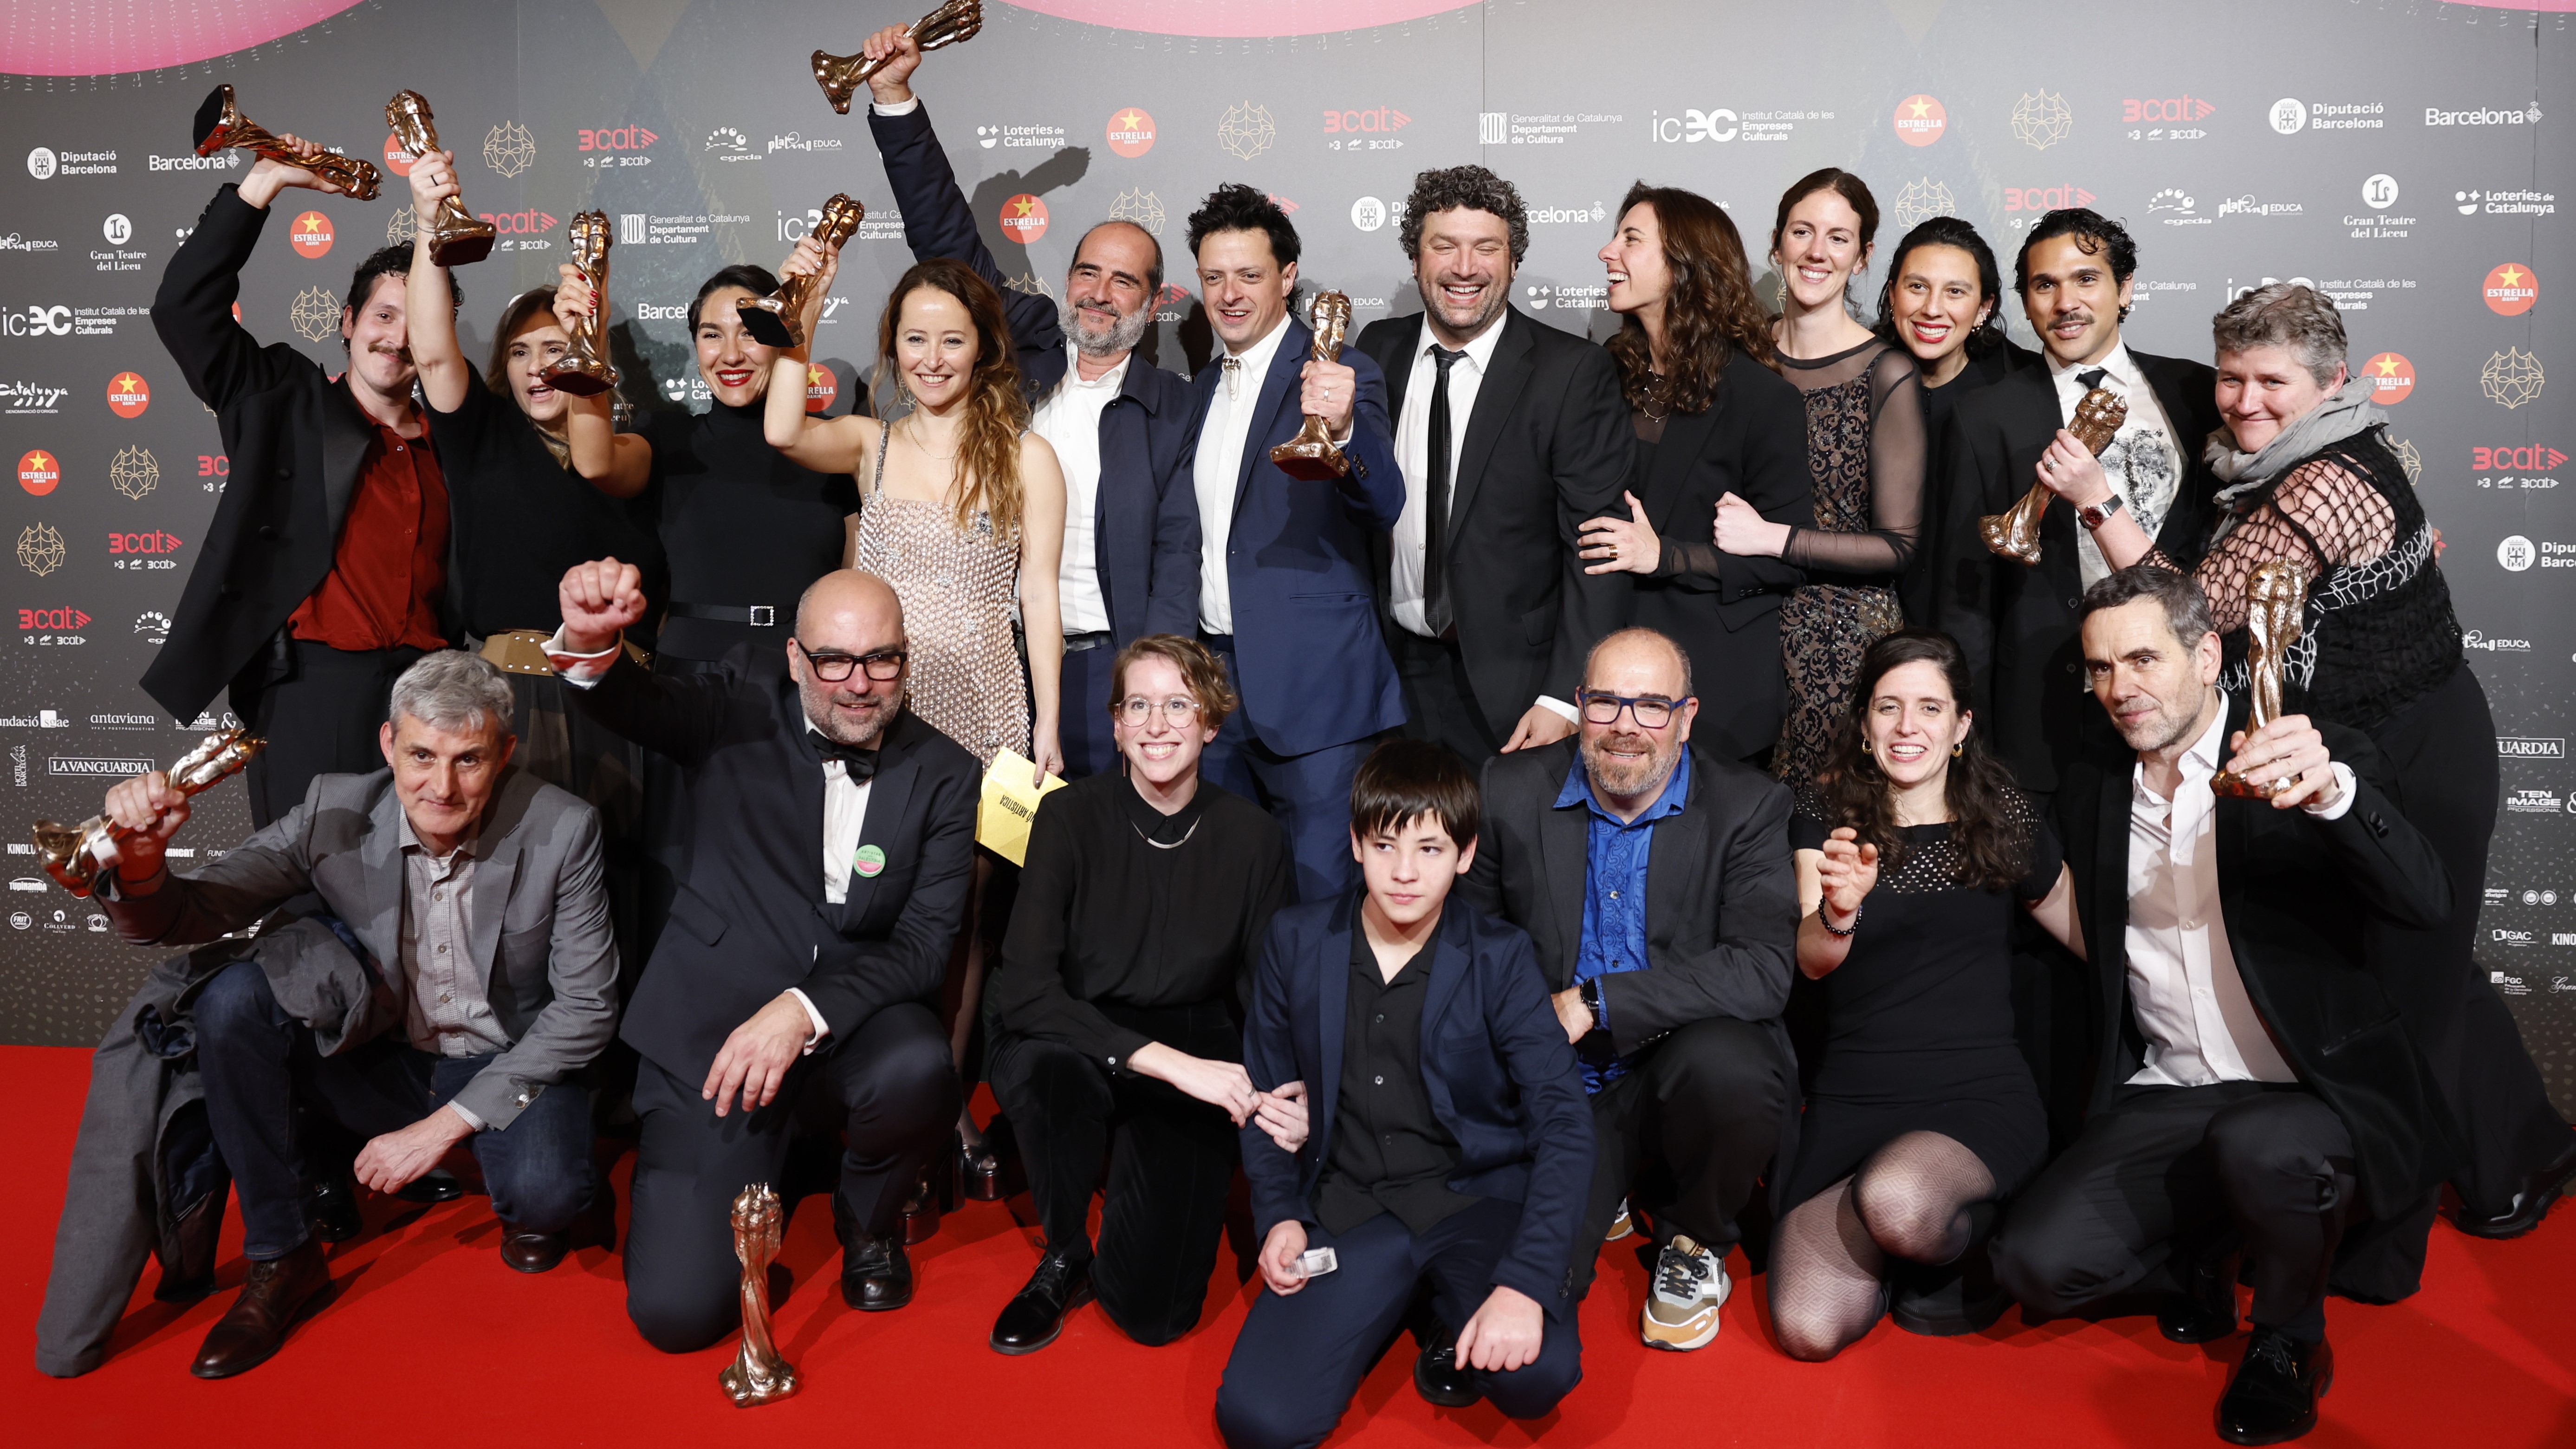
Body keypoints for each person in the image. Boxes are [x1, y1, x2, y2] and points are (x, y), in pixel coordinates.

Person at [2031, 283, 2575, 1246]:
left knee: (2415, 969)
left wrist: (2095, 500)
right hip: (2341, 740)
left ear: (2329, 384)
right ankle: (2525, 1146)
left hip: (2414, 750)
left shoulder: (2329, 478)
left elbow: (2192, 612)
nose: (2242, 401)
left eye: (2269, 382)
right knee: (2430, 971)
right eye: (2231, 378)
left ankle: (2446, 1200)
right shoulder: (2258, 466)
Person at [1993, 565, 2459, 1446]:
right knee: (2033, 1265)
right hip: (2169, 1091)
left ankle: (2288, 1339)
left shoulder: (2298, 757)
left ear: (2206, 655)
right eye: (2099, 669)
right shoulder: (2097, 790)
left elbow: (2425, 904)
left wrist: (2334, 799)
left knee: (2259, 1145)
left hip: (2308, 1094)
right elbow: (2094, 932)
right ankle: (2204, 1248)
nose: (2119, 689)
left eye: (2141, 658)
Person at [91, 650, 618, 1377]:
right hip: (384, 1057)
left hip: (504, 1061)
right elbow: (193, 911)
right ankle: (283, 1254)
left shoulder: (564, 829)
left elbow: (587, 1008)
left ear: (505, 752)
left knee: (549, 1197)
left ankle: (493, 1176)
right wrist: (145, 863)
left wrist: (442, 1128)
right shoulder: (333, 809)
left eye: (469, 759)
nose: (442, 786)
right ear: (387, 745)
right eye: (421, 755)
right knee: (233, 1001)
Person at [546, 560, 973, 1352]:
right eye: (833, 661)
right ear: (792, 659)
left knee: (918, 1067)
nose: (858, 684)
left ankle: (866, 1221)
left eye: (882, 658)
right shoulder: (734, 711)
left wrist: (803, 1009)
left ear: (904, 660)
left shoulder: (945, 772)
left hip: (847, 1031)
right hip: (715, 1035)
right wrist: (589, 641)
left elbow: (921, 947)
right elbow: (628, 699)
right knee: (676, 1316)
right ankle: (753, 1168)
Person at [766, 250, 1069, 1183]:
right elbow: (782, 427)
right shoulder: (872, 441)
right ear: (891, 349)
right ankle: (864, 1093)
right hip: (877, 708)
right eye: (913, 340)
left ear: (982, 349)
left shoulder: (1027, 455)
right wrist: (800, 317)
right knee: (874, 907)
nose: (932, 358)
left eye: (951, 339)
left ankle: (938, 1108)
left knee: (967, 921)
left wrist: (1047, 729)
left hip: (986, 712)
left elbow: (1041, 599)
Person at [1218, 741, 1592, 1447]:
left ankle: (1449, 1299)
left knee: (1537, 1376)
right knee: (1258, 1422)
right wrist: (1279, 1215)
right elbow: (1270, 1096)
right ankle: (1418, 1302)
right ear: (1356, 844)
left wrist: (1524, 1283)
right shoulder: (1295, 941)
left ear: (1465, 853)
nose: (1405, 872)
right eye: (1385, 845)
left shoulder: (1501, 956)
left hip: (1474, 1198)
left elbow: (1565, 1123)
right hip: (1350, 1203)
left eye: (1429, 848)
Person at [853, 25, 1199, 779]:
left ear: (1154, 301)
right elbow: (945, 242)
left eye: (1123, 281)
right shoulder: (1022, 348)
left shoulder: (1176, 409)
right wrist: (893, 97)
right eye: (1086, 272)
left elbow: (1181, 560)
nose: (1099, 294)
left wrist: (1158, 688)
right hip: (999, 667)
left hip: (1120, 673)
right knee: (1005, 878)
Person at [1462, 626, 1797, 1352]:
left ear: (1686, 716)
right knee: (1518, 1299)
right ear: (1579, 706)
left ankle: (1695, 1239)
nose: (1624, 726)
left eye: (1651, 706)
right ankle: (1601, 1180)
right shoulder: (1509, 788)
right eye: (1607, 702)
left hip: (1678, 1068)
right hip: (1557, 1081)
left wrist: (1594, 1002)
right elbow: (1473, 945)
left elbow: (1764, 971)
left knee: (1733, 1064)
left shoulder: (1748, 805)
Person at [1769, 630, 2082, 1361]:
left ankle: (1962, 1238)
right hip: (1856, 1098)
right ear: (1865, 722)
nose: (1908, 726)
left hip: (1975, 1097)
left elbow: (2090, 936)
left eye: (1929, 708)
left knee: (1899, 1201)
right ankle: (1898, 1249)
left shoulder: (2001, 819)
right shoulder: (1826, 820)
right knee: (1806, 1331)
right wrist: (1839, 910)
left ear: (1961, 726)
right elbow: (1811, 963)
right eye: (1889, 707)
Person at [984, 635, 1293, 1353]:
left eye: (1178, 705)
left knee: (1154, 1318)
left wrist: (1281, 1089)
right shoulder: (1067, 818)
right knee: (1053, 1074)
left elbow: (1262, 994)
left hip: (1191, 1032)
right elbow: (1027, 991)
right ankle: (1063, 1251)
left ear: (1211, 723)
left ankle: (1128, 1172)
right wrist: (1160, 1061)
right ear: (1117, 724)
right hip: (1070, 1025)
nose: (1157, 725)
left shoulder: (1254, 838)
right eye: (1139, 706)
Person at [145, 136, 461, 825]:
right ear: (348, 323)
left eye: (417, 324)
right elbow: (184, 312)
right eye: (383, 315)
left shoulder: (458, 441)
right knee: (309, 895)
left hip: (429, 702)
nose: (396, 339)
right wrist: (263, 184)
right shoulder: (284, 400)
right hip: (312, 690)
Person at [396, 146, 657, 975]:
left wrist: (593, 331)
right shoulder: (480, 437)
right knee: (517, 903)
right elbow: (433, 348)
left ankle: (624, 1089)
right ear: (502, 370)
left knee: (628, 887)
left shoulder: (627, 452)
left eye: (560, 346)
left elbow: (598, 451)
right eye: (521, 351)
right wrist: (428, 219)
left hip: (624, 705)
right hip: (516, 702)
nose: (541, 364)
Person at [1932, 208, 2223, 799]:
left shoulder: (2197, 392)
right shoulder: (1983, 416)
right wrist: (1969, 735)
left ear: (2125, 289)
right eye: (2045, 285)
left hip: (2186, 708)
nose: (2065, 301)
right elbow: (1962, 597)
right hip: (2045, 716)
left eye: (2086, 279)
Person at [1352, 165, 1633, 765]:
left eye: (1486, 248)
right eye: (1443, 246)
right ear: (1414, 259)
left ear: (1511, 262)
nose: (1464, 267)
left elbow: (1597, 553)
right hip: (1390, 676)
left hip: (1516, 687)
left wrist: (1564, 697)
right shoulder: (1377, 349)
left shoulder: (1570, 374)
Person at [1182, 184, 1406, 900]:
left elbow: (1384, 501)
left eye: (1249, 275)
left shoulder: (1339, 371)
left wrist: (1342, 432)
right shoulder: (1200, 389)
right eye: (1214, 277)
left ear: (1287, 277)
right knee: (1229, 904)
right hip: (1212, 690)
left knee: (1324, 903)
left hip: (1317, 696)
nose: (1230, 294)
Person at [1577, 183, 1813, 766]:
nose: (1607, 252)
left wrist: (1667, 557)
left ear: (1685, 265)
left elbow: (1788, 554)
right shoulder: (1603, 375)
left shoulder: (1762, 399)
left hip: (1714, 693)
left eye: (1631, 239)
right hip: (1605, 682)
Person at [1719, 169, 1926, 788]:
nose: (1816, 251)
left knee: (1825, 838)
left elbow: (1898, 547)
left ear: (1862, 259)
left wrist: (1774, 540)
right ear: (1777, 244)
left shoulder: (1886, 372)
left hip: (1843, 643)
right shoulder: (1741, 358)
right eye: (1802, 232)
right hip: (1739, 624)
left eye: (1839, 239)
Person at [1871, 216, 2035, 624]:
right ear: (1892, 295)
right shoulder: (1859, 376)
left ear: (1984, 307)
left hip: (1985, 626)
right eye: (1916, 287)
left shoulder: (2024, 390)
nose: (1932, 309)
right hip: (1873, 622)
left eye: (1955, 292)